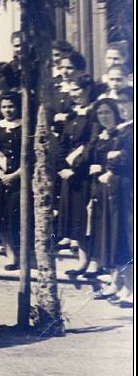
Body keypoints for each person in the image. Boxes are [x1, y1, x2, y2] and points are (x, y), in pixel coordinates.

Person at [87, 97, 131, 303]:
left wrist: (106, 166)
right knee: (107, 236)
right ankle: (116, 283)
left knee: (120, 235)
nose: (104, 117)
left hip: (120, 190)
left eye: (107, 112)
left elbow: (125, 157)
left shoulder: (123, 134)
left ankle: (128, 287)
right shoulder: (100, 136)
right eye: (100, 113)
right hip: (102, 189)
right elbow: (90, 157)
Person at [56, 74, 98, 276]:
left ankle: (95, 263)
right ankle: (82, 262)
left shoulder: (94, 114)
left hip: (84, 174)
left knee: (87, 218)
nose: (74, 95)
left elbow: (91, 144)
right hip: (69, 174)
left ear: (87, 89)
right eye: (71, 91)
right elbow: (62, 143)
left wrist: (75, 168)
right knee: (75, 218)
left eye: (77, 91)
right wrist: (62, 166)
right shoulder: (72, 114)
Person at [0, 92, 25, 270]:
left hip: (20, 179)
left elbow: (31, 155)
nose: (8, 110)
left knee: (17, 217)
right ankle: (11, 256)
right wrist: (1, 174)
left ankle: (23, 254)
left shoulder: (25, 127)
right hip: (0, 180)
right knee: (2, 218)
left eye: (11, 106)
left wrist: (16, 174)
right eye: (4, 107)